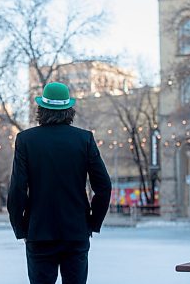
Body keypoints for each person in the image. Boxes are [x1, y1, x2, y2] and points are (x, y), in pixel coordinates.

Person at [7, 82, 112, 284]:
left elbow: (18, 189)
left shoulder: (26, 140)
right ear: (68, 109)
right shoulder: (84, 139)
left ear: (42, 108)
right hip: (76, 231)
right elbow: (104, 187)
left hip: (39, 231)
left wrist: (20, 228)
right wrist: (92, 222)